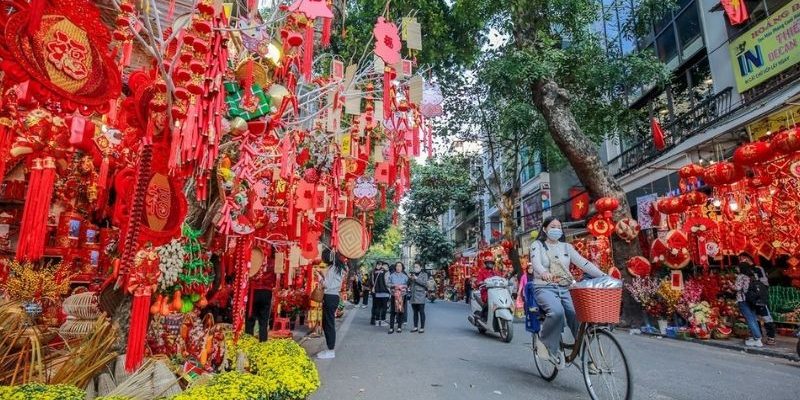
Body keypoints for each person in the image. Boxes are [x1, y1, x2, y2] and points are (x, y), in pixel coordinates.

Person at [531, 217, 606, 368]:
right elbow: (536, 263)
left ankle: (586, 356)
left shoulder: (567, 247)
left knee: (577, 315)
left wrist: (603, 275)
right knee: (557, 312)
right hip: (544, 287)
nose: (556, 229)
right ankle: (545, 343)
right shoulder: (537, 245)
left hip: (565, 287)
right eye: (553, 226)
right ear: (545, 229)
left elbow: (584, 263)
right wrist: (544, 273)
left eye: (559, 227)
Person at [316, 253, 347, 359]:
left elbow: (327, 284)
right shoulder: (338, 268)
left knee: (328, 324)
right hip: (333, 296)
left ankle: (330, 350)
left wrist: (319, 277)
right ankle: (329, 348)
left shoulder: (333, 268)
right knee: (328, 323)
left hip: (330, 296)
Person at [245, 268, 276, 342]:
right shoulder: (272, 261)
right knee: (264, 320)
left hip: (254, 290)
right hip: (266, 290)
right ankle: (263, 342)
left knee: (250, 319)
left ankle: (248, 342)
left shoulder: (253, 260)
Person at [387, 262, 409, 334]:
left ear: (402, 268)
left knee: (400, 311)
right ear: (395, 267)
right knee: (393, 312)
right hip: (394, 295)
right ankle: (391, 328)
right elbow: (388, 284)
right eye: (397, 266)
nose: (398, 267)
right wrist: (394, 286)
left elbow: (408, 285)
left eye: (400, 266)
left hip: (402, 296)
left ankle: (399, 327)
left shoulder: (405, 276)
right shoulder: (392, 275)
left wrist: (403, 287)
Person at [409, 263, 429, 333]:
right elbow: (409, 284)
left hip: (420, 295)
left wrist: (416, 278)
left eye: (417, 267)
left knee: (421, 312)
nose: (415, 268)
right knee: (415, 312)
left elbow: (425, 284)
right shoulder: (412, 274)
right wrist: (409, 278)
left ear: (420, 267)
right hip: (413, 295)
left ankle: (422, 327)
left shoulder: (424, 274)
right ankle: (415, 327)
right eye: (414, 267)